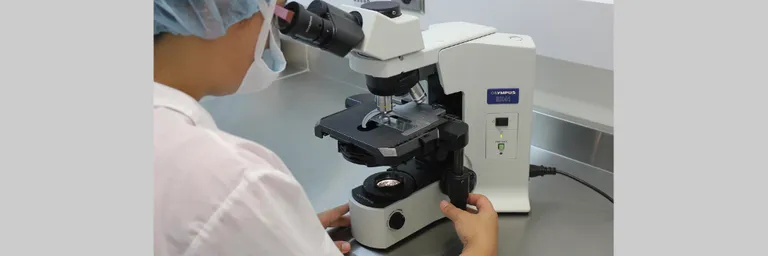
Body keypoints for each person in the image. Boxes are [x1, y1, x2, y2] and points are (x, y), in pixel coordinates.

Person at [153, 0, 500, 255]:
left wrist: (280, 233)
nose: (271, 27)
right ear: (216, 13)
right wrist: (481, 250)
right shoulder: (234, 187)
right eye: (268, 11)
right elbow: (228, 211)